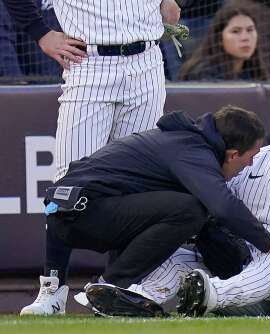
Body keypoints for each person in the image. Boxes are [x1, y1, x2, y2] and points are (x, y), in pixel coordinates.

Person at [80, 98, 270, 318]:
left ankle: (208, 295)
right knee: (182, 257)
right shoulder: (254, 162)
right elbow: (217, 209)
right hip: (243, 272)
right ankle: (134, 300)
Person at [29, 105, 270, 317]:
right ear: (233, 154)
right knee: (191, 209)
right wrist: (269, 243)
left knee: (177, 206)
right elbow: (223, 205)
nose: (250, 164)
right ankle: (112, 286)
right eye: (250, 156)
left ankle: (59, 293)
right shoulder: (192, 151)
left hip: (67, 213)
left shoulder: (184, 141)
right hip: (83, 213)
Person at [19, 0, 183, 316]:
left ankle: (117, 290)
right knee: (68, 184)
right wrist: (40, 32)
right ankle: (52, 291)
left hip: (146, 62)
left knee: (137, 184)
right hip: (87, 61)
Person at [176, 0, 268, 81]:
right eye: (236, 31)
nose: (245, 37)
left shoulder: (254, 71)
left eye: (250, 30)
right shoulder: (203, 74)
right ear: (219, 38)